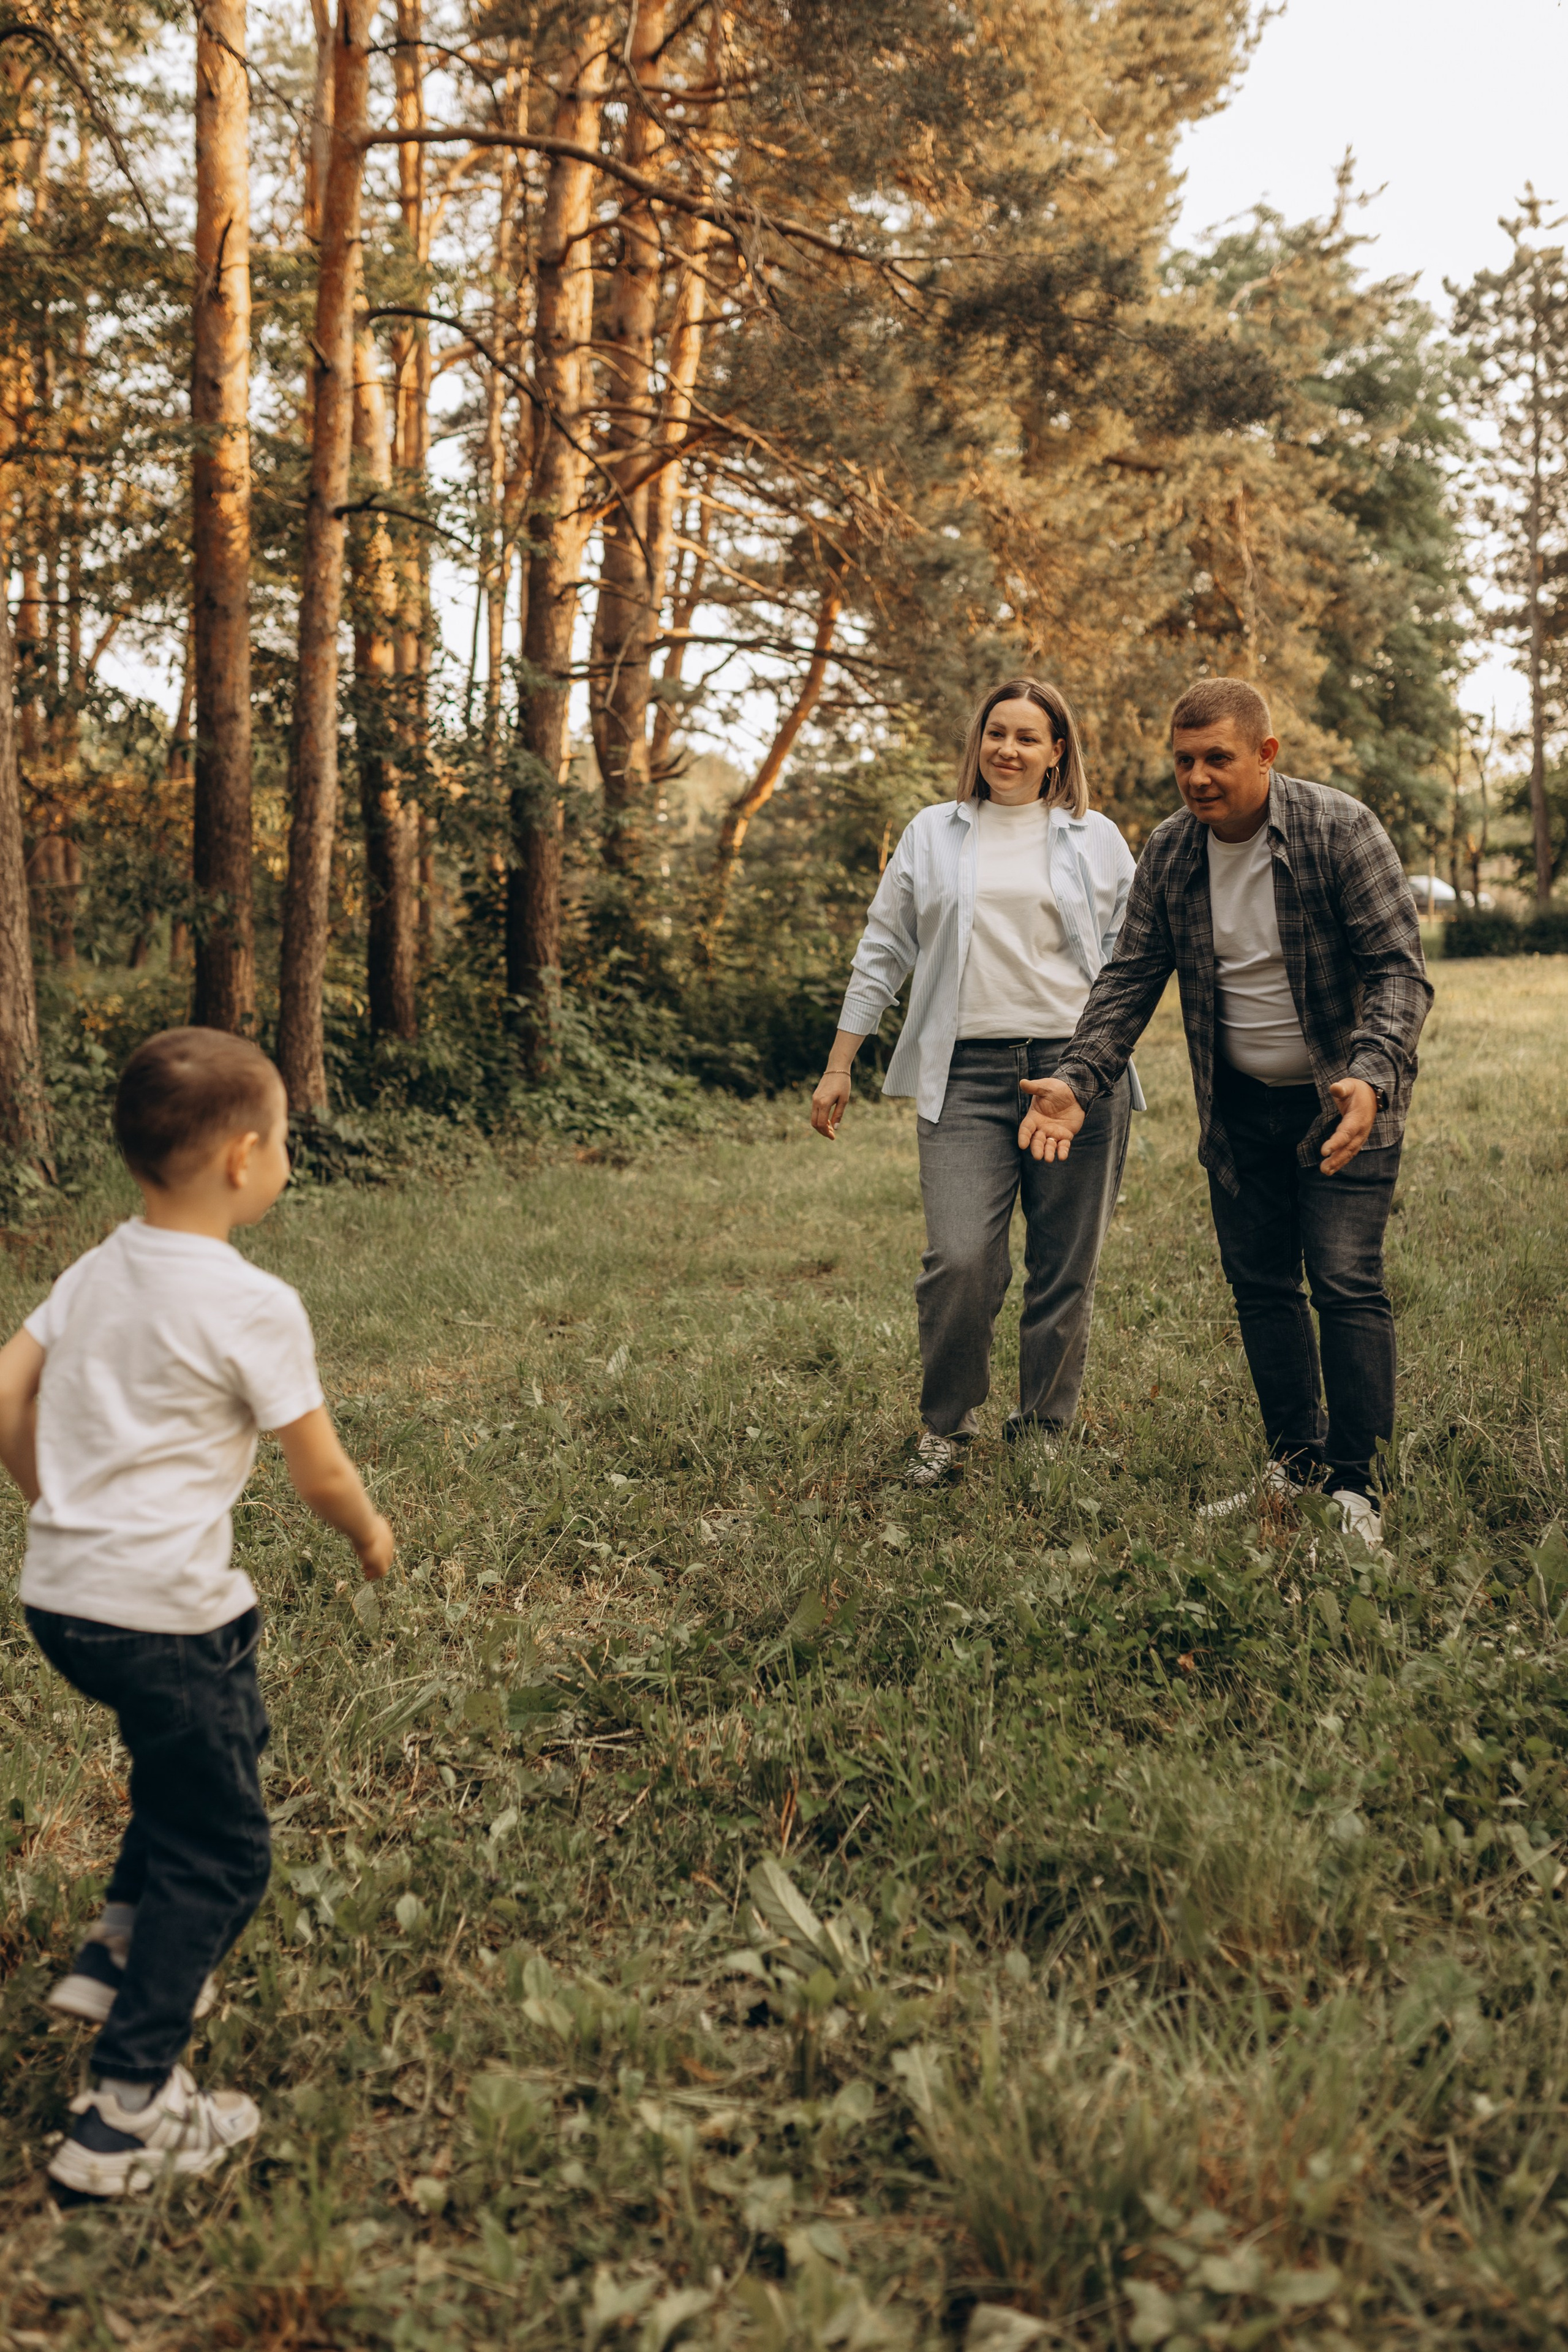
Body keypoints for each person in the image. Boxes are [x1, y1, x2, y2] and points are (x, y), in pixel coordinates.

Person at [0, 1028, 394, 2198]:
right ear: (241, 1158)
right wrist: (368, 1533)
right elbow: (316, 1472)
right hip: (168, 1614)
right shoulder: (250, 1302)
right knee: (225, 1850)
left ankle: (121, 1945)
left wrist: (44, 1491)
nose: (285, 1163)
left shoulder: (96, 1270)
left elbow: (5, 1385)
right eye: (282, 1144)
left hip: (62, 1603)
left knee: (195, 1759)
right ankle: (123, 2117)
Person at [1017, 677, 1432, 1550]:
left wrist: (1372, 1075)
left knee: (1346, 1281)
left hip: (1343, 1097)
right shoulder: (1172, 852)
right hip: (1239, 1107)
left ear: (1266, 756)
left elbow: (1398, 970)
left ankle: (1359, 1485)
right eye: (1184, 760)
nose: (1198, 777)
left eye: (1218, 758)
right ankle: (1297, 1462)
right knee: (1261, 1287)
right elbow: (1130, 977)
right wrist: (1079, 1077)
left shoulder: (1338, 829)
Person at [809, 676, 1142, 1483]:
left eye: (1029, 737)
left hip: (1075, 1073)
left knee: (1065, 1262)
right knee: (961, 1258)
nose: (1009, 749)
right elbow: (883, 948)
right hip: (963, 1076)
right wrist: (839, 1062)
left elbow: (1135, 962)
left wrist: (1092, 1067)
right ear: (979, 741)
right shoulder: (933, 834)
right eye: (998, 732)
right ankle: (945, 1428)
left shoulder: (1097, 839)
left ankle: (1044, 1431)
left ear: (1057, 751)